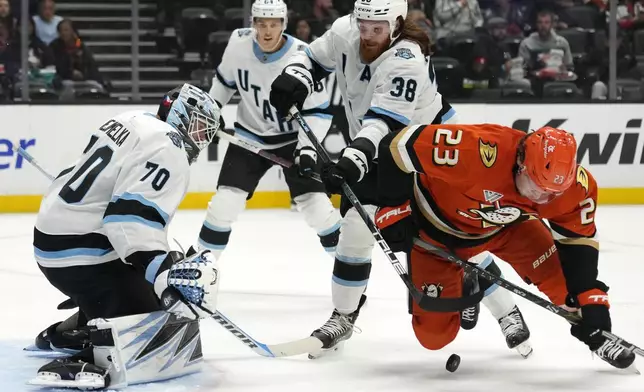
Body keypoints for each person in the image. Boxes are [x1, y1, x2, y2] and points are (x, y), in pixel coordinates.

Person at [268, 0, 528, 358]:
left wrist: (352, 159)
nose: (367, 35)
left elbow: (385, 122)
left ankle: (507, 311)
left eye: (377, 29)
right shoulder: (347, 30)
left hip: (431, 151)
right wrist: (294, 76)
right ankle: (343, 316)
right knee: (356, 229)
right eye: (363, 26)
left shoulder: (407, 58)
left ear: (398, 24)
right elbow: (313, 58)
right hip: (380, 147)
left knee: (451, 236)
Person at [375, 123, 636, 370]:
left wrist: (591, 299)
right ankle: (470, 276)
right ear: (521, 162)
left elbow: (578, 242)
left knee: (571, 292)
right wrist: (393, 208)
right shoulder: (472, 150)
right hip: (435, 237)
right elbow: (395, 146)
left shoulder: (575, 187)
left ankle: (600, 338)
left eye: (551, 193)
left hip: (506, 228)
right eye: (536, 187)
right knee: (434, 337)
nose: (542, 199)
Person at [28, 83, 224, 389]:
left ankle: (75, 327)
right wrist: (164, 274)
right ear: (180, 113)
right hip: (82, 254)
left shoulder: (134, 119)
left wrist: (160, 264)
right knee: (160, 321)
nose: (200, 139)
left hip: (53, 240)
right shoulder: (169, 147)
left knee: (144, 281)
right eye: (199, 127)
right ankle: (93, 354)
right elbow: (129, 221)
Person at [197, 0, 341, 261]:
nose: (267, 31)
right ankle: (199, 266)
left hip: (293, 140)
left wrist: (307, 150)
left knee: (317, 208)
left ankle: (348, 267)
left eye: (274, 24)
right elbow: (224, 83)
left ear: (284, 25)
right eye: (261, 24)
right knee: (224, 204)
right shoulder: (237, 44)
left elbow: (319, 112)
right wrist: (212, 109)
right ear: (252, 23)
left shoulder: (303, 56)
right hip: (249, 137)